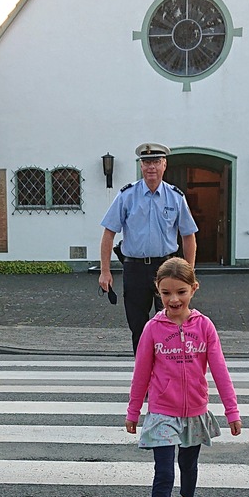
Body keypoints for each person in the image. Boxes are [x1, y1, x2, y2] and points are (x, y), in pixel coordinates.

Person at [125, 258, 241, 497]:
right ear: (158, 292)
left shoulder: (204, 327)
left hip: (194, 412)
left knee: (188, 466)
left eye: (180, 292)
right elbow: (141, 373)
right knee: (163, 473)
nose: (173, 299)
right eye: (165, 293)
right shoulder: (152, 329)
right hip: (162, 411)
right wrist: (133, 411)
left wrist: (232, 411)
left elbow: (219, 369)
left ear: (193, 289)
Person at [99, 142, 199, 353]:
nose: (150, 167)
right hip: (135, 269)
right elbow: (109, 233)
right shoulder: (127, 196)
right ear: (141, 166)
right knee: (139, 327)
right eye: (146, 162)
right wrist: (105, 272)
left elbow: (188, 236)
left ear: (164, 165)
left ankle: (167, 376)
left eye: (155, 162)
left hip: (167, 268)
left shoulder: (175, 197)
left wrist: (188, 273)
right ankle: (143, 380)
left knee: (171, 325)